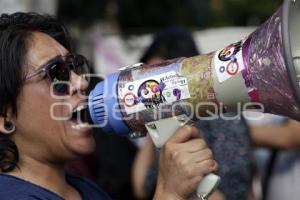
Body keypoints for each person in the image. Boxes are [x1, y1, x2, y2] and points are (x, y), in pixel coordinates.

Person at [0, 12, 218, 200]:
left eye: (75, 66)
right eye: (56, 72)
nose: (81, 82)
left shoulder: (85, 189)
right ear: (5, 115)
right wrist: (169, 193)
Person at [132, 27, 253, 200]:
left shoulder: (220, 113)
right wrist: (152, 119)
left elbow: (226, 189)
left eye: (156, 78)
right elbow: (141, 187)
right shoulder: (168, 120)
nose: (150, 91)